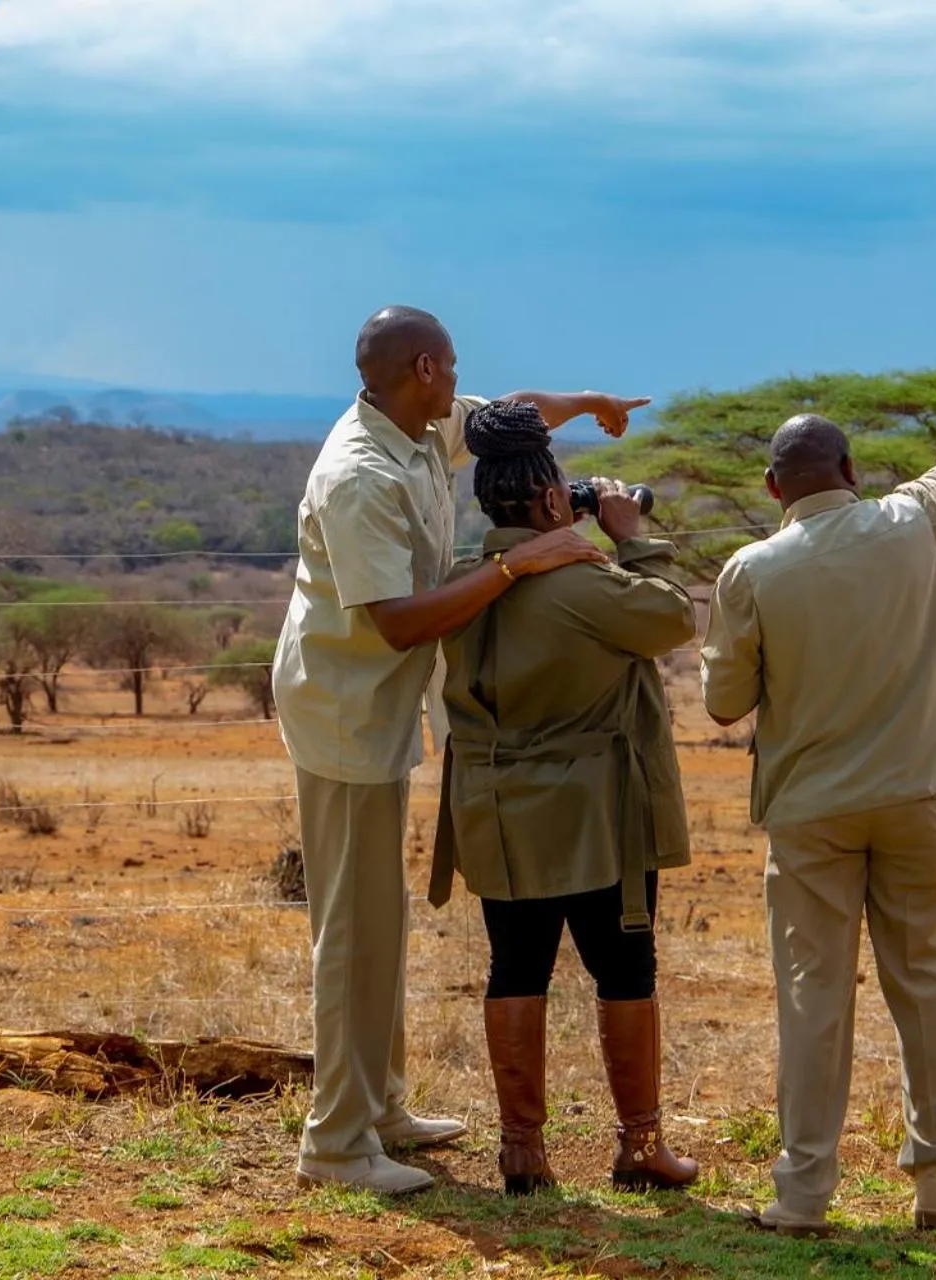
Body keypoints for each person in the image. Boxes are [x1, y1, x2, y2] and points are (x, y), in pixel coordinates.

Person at [274, 305, 650, 1196]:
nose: (462, 377)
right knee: (350, 932)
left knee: (381, 922)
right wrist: (522, 565)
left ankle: (382, 1106)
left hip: (376, 710)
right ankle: (335, 1144)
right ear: (425, 368)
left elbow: (511, 410)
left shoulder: (415, 422)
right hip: (344, 712)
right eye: (453, 363)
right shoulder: (361, 474)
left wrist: (587, 400)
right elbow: (399, 624)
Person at [700, 384, 936, 1236]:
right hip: (919, 800)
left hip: (810, 816)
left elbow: (725, 706)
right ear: (852, 471)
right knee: (930, 990)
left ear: (770, 490)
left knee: (812, 998)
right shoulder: (911, 525)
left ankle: (802, 1195)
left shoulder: (751, 571)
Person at [428, 399, 699, 1196]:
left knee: (515, 966)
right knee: (625, 968)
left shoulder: (461, 583)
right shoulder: (585, 585)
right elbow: (671, 618)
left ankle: (521, 1150)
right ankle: (640, 1146)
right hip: (596, 815)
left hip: (497, 810)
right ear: (554, 502)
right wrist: (629, 536)